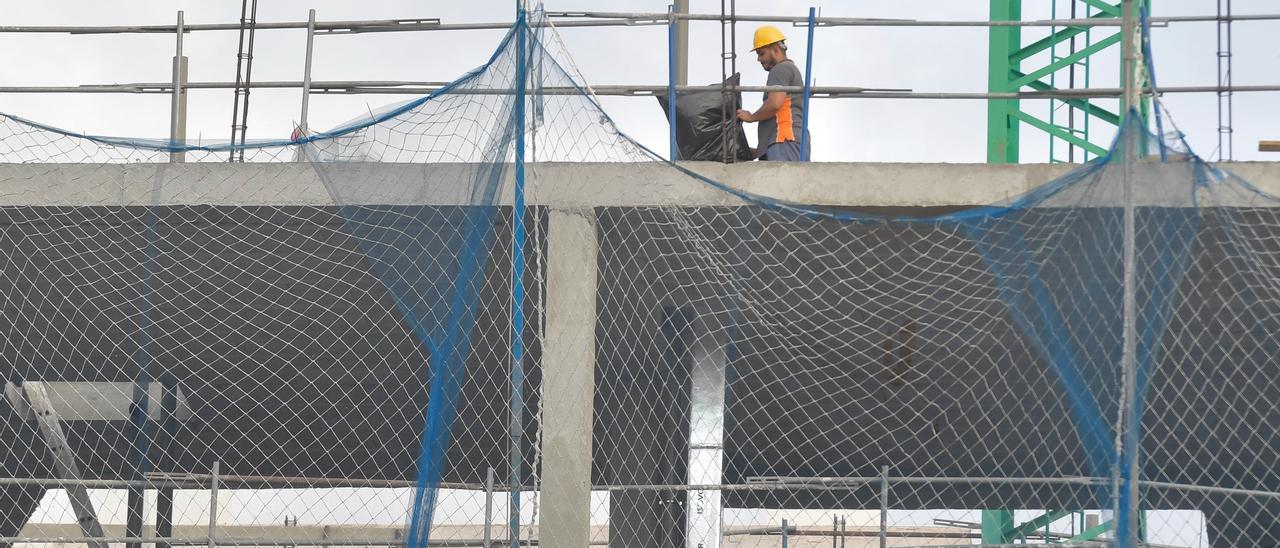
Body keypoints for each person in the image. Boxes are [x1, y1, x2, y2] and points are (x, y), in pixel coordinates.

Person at [736, 25, 809, 161]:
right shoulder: (789, 69)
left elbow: (775, 104)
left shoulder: (780, 69)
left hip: (784, 141)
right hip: (786, 142)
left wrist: (751, 117)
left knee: (785, 181)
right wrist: (759, 151)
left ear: (775, 50)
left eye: (761, 53)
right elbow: (781, 114)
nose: (759, 59)